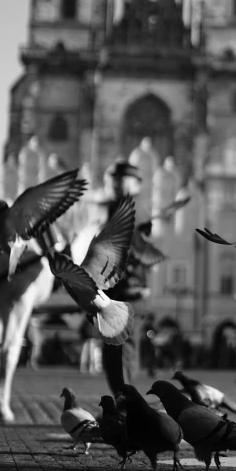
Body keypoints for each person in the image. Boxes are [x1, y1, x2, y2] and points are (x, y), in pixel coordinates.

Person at [100, 159, 146, 397]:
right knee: (110, 352)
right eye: (115, 180)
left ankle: (127, 405)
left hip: (129, 290)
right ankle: (121, 401)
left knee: (123, 351)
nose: (117, 184)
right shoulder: (113, 208)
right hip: (111, 292)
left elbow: (138, 250)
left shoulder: (138, 210)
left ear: (137, 185)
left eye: (123, 180)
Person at [139, 312, 157, 377]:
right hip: (145, 345)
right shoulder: (145, 327)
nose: (151, 321)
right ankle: (148, 370)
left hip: (150, 344)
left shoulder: (151, 327)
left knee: (151, 358)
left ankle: (151, 371)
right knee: (147, 358)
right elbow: (142, 335)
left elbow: (154, 333)